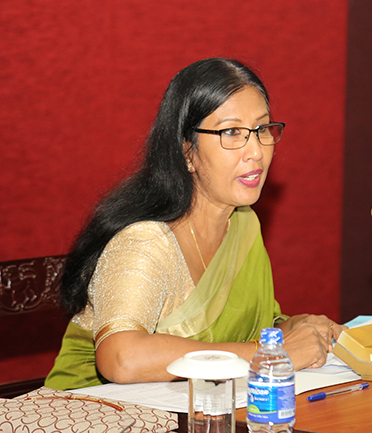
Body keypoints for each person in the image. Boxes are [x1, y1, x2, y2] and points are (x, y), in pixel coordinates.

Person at [45, 58, 346, 390]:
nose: (256, 152)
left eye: (262, 130)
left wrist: (292, 328)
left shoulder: (243, 224)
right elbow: (122, 359)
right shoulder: (146, 241)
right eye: (232, 132)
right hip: (94, 410)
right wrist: (267, 355)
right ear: (186, 150)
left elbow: (243, 325)